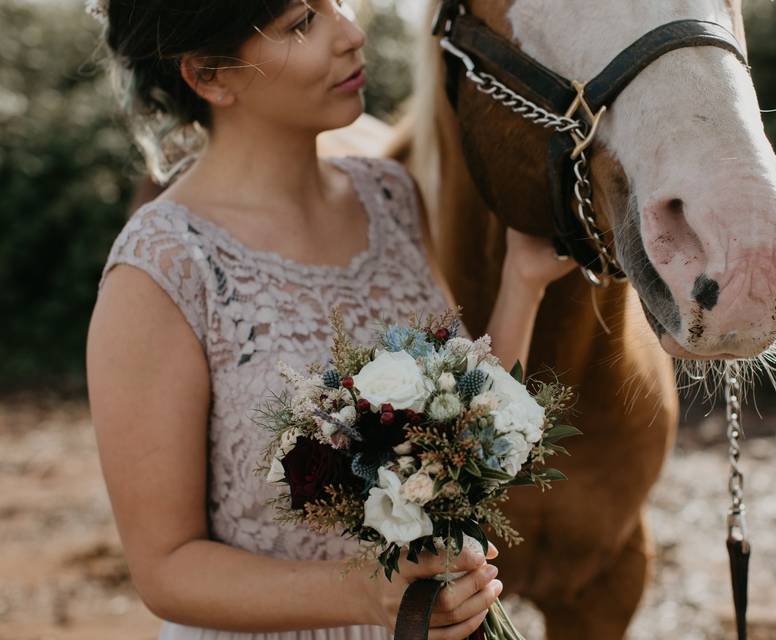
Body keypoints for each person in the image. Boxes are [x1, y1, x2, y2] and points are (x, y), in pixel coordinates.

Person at [85, 1, 575, 639]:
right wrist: (371, 597)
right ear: (210, 75)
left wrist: (522, 285)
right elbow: (165, 569)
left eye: (339, 2)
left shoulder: (391, 198)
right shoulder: (162, 270)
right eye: (301, 22)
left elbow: (460, 437)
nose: (351, 33)